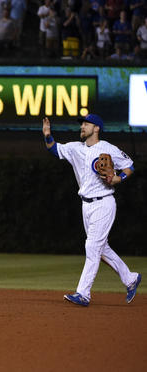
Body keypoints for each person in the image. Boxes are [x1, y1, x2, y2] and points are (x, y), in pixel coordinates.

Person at [42, 115, 141, 307]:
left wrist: (118, 179)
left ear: (96, 128)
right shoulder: (75, 148)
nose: (82, 126)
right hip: (85, 205)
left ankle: (83, 294)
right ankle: (130, 278)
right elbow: (54, 149)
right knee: (101, 249)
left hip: (104, 203)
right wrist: (47, 134)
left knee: (92, 247)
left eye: (86, 123)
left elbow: (129, 166)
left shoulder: (108, 148)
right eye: (82, 123)